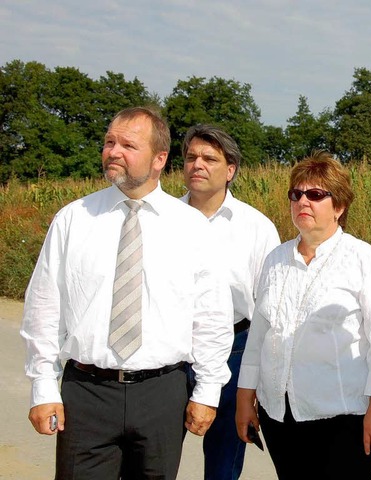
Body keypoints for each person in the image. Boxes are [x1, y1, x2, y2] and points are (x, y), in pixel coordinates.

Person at [20, 107, 234, 479]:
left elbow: (211, 317)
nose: (113, 151)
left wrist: (206, 392)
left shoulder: (191, 228)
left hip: (162, 395)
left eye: (128, 145)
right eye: (109, 142)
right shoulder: (74, 219)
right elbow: (45, 308)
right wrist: (43, 386)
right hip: (86, 394)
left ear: (159, 159)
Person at [235, 151, 371, 480]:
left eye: (315, 195)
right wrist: (245, 399)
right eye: (296, 195)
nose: (303, 202)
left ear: (339, 206)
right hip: (280, 416)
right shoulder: (275, 260)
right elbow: (258, 337)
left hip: (345, 417)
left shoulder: (364, 260)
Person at [180, 124, 280, 480]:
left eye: (209, 158)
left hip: (235, 350)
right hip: (171, 352)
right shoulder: (163, 221)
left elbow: (269, 306)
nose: (198, 165)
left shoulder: (256, 227)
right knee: (154, 458)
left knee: (223, 464)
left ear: (231, 170)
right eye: (191, 157)